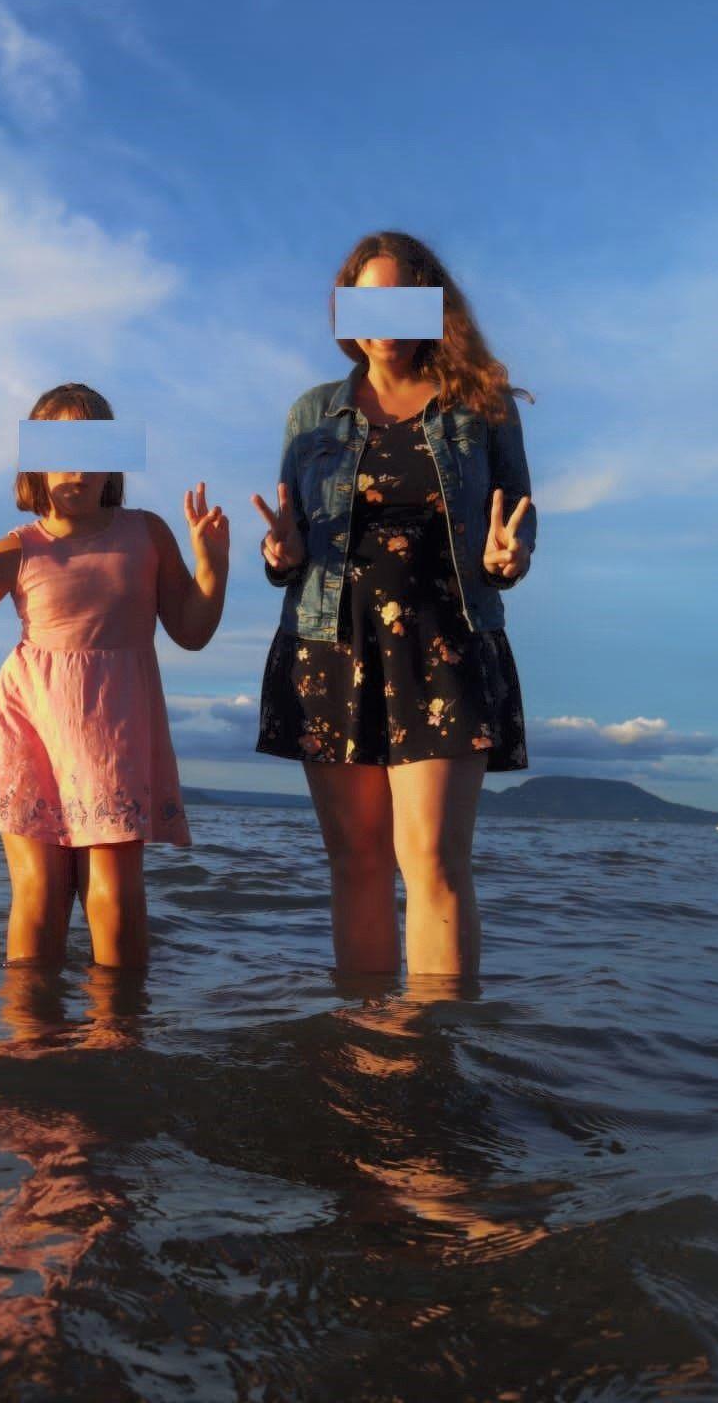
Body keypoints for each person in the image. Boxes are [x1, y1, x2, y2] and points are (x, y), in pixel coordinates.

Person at [249, 231, 535, 978]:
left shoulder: (481, 405)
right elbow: (292, 535)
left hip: (444, 642)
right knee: (356, 864)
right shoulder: (312, 412)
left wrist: (510, 556)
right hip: (329, 642)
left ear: (433, 306)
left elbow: (518, 516)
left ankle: (440, 1040)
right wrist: (279, 555)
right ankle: (362, 1033)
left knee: (433, 860)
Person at [0, 383, 229, 969]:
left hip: (113, 726)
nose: (76, 469)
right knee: (41, 890)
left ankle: (118, 1017)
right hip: (29, 724)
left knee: (115, 891)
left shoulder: (147, 533)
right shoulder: (22, 548)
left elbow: (191, 630)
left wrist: (213, 566)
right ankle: (30, 1017)